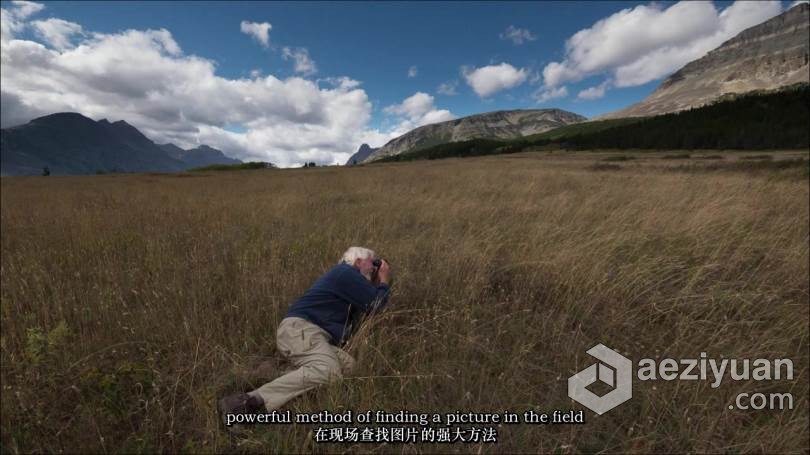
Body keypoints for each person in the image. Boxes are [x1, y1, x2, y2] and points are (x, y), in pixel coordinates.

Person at [218, 246, 392, 420]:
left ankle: (266, 370)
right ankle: (245, 402)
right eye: (373, 262)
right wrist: (383, 280)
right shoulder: (345, 272)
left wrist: (374, 286)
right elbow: (378, 304)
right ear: (358, 261)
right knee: (329, 371)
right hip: (301, 329)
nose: (375, 268)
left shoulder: (349, 281)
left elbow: (372, 309)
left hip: (311, 335)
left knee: (349, 368)